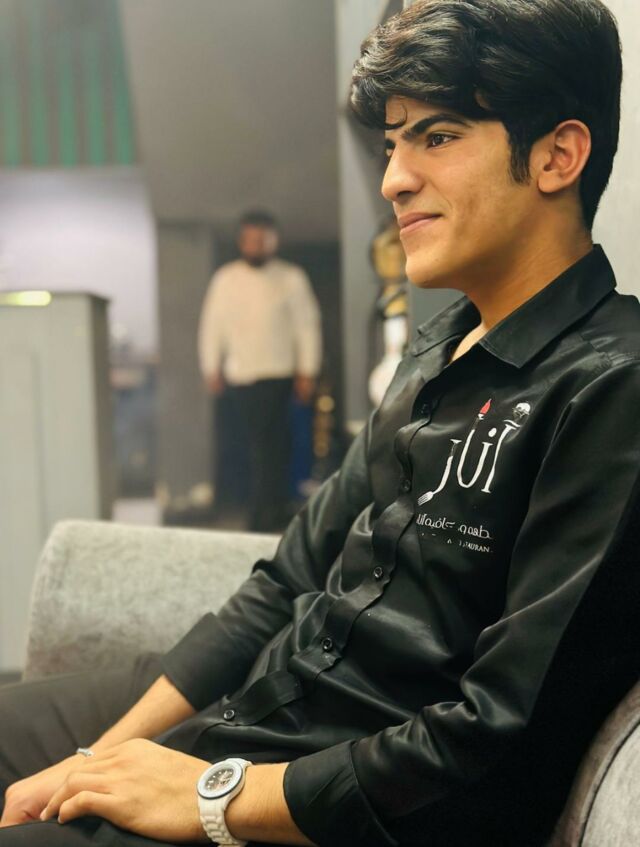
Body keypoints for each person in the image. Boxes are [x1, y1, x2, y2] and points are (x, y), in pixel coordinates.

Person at [1, 0, 639, 845]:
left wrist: (208, 796)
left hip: (315, 785)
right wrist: (100, 758)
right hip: (257, 704)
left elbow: (499, 744)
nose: (394, 179)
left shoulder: (611, 385)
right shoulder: (436, 347)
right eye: (393, 144)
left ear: (559, 155)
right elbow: (284, 581)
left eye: (437, 136)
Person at [198, 209, 322, 532]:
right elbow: (212, 326)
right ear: (242, 241)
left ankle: (271, 511)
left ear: (273, 241)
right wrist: (211, 366)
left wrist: (307, 370)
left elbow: (306, 326)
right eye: (251, 240)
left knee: (275, 447)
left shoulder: (291, 278)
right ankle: (249, 509)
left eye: (262, 240)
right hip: (239, 376)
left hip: (278, 374)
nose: (256, 246)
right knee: (246, 447)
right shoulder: (226, 279)